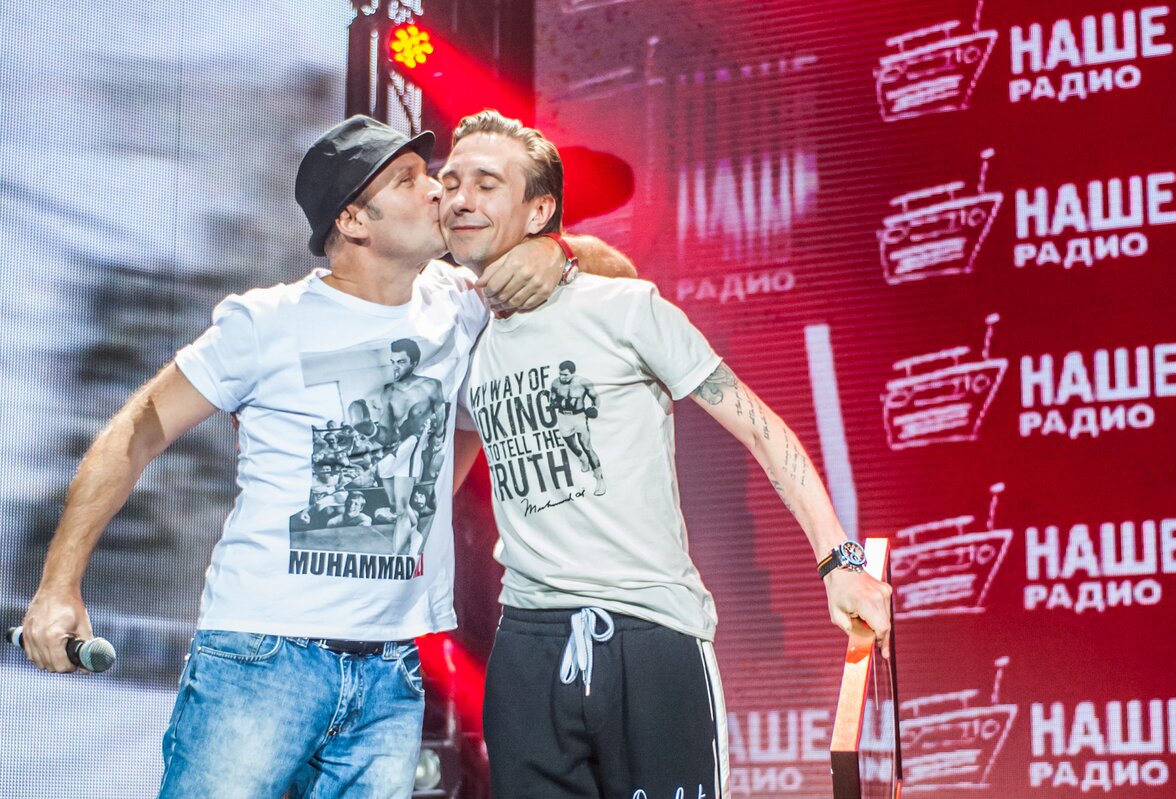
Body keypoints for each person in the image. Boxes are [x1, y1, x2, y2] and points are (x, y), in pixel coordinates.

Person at [18, 114, 631, 798]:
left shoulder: (458, 305)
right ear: (354, 220)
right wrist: (58, 585)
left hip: (391, 671)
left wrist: (553, 252)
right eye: (409, 180)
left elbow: (619, 276)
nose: (437, 191)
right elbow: (137, 430)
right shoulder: (267, 322)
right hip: (263, 658)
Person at [439, 110, 894, 799]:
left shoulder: (624, 308)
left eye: (486, 183)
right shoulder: (461, 336)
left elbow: (760, 428)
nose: (461, 198)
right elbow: (435, 487)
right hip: (527, 648)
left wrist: (838, 560)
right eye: (450, 182)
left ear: (539, 211)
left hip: (648, 632)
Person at [549, 359, 605, 495]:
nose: (562, 377)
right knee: (571, 444)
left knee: (587, 446)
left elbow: (595, 397)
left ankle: (599, 479)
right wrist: (554, 402)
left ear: (573, 373)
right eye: (560, 374)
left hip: (579, 416)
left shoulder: (583, 382)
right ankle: (582, 458)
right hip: (563, 417)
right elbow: (553, 398)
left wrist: (594, 408)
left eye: (565, 374)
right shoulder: (555, 383)